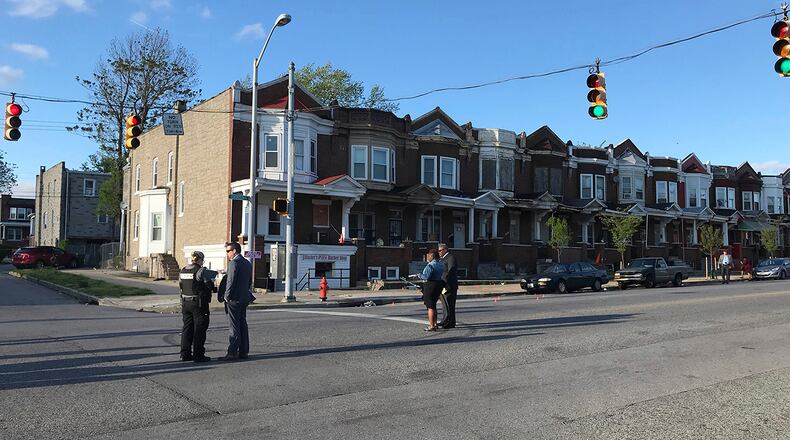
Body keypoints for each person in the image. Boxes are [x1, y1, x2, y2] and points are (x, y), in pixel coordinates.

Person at [178, 251, 216, 363]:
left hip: (185, 303)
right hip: (198, 304)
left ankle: (185, 354)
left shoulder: (183, 270)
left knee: (187, 329)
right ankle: (198, 355)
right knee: (200, 329)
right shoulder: (200, 271)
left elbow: (181, 286)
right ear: (200, 260)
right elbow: (209, 285)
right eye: (202, 260)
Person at [220, 241, 253, 361]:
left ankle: (232, 352)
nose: (227, 254)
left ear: (234, 251)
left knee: (234, 326)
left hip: (234, 299)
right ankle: (244, 351)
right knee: (242, 324)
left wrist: (226, 296)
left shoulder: (234, 263)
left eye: (228, 251)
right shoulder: (247, 263)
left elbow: (231, 281)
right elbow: (249, 282)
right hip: (244, 298)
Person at [417, 248, 444, 332]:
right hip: (438, 284)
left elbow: (426, 276)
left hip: (430, 286)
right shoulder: (440, 264)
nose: (427, 257)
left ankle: (431, 325)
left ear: (432, 255)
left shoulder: (431, 265)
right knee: (434, 305)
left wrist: (419, 275)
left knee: (430, 307)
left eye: (428, 255)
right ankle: (435, 324)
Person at [437, 243, 458, 329]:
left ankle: (450, 322)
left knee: (449, 304)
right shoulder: (442, 259)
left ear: (445, 249)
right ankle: (445, 320)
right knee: (445, 304)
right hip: (443, 284)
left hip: (449, 285)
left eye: (440, 250)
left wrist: (445, 284)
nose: (439, 252)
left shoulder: (450, 257)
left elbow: (451, 271)